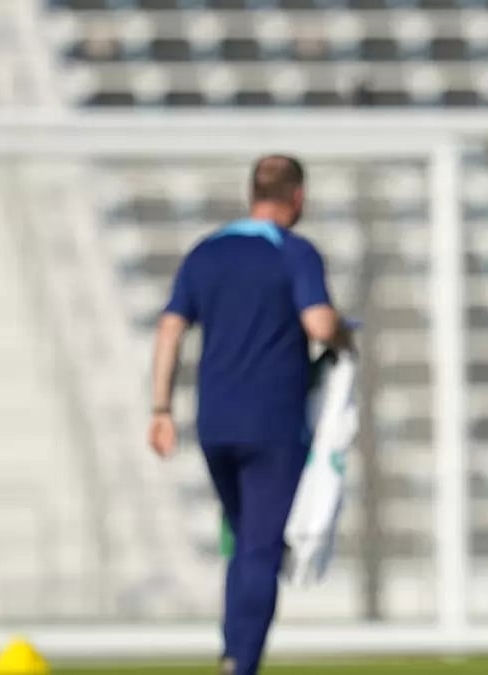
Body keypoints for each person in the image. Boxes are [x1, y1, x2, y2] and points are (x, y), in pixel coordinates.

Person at [147, 155, 351, 675]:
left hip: (214, 424)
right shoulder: (294, 252)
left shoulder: (205, 252)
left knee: (243, 541)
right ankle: (240, 663)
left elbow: (170, 328)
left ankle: (231, 651)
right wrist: (346, 335)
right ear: (297, 197)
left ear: (252, 192)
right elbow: (320, 324)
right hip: (271, 424)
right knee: (260, 548)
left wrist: (161, 408)